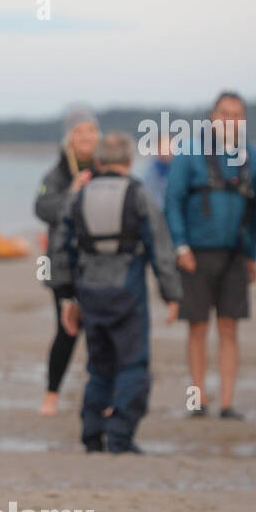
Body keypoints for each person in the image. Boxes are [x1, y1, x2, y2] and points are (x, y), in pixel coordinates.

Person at [53, 134, 182, 453]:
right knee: (133, 365)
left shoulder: (78, 195)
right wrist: (172, 294)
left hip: (90, 292)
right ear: (128, 162)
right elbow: (160, 245)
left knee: (99, 366)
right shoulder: (139, 194)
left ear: (97, 162)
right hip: (127, 292)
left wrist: (67, 296)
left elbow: (61, 247)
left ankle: (92, 434)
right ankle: (121, 435)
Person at [164, 91, 256, 419]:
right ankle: (198, 399)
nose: (230, 121)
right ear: (212, 117)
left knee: (229, 328)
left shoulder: (251, 156)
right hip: (195, 253)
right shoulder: (190, 153)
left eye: (237, 115)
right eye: (224, 114)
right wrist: (180, 247)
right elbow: (172, 203)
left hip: (235, 255)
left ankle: (227, 402)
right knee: (197, 327)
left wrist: (251, 253)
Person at [34, 107, 99, 416]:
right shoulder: (57, 173)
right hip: (63, 267)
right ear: (69, 138)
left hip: (99, 265)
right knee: (67, 331)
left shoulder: (105, 169)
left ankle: (100, 395)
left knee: (101, 330)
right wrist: (72, 194)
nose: (87, 137)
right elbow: (42, 207)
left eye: (91, 131)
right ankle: (51, 394)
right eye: (80, 132)